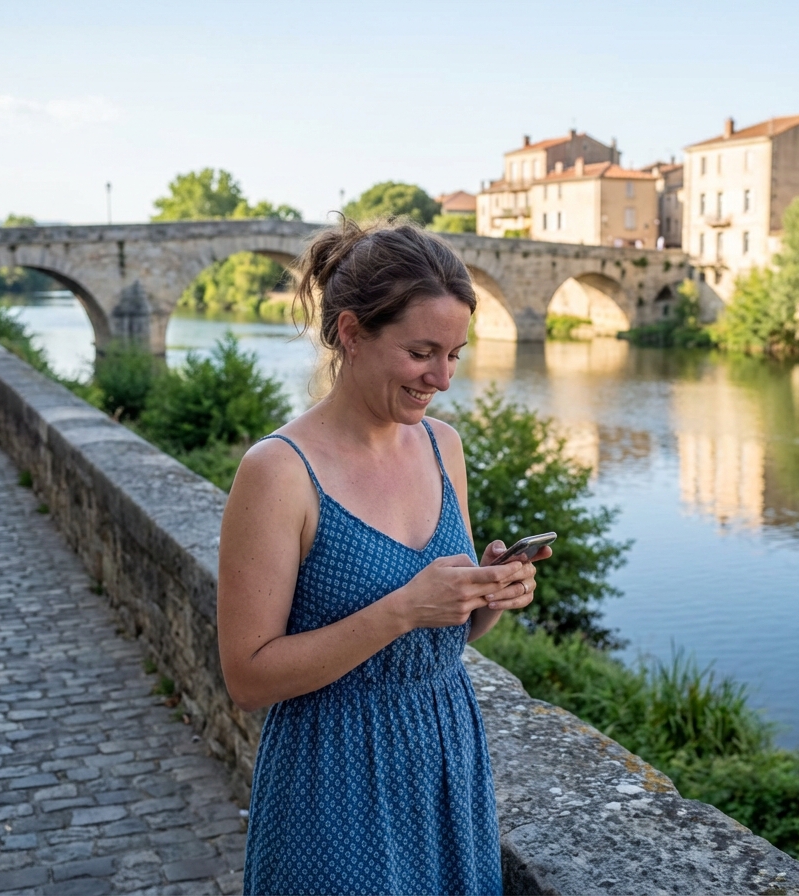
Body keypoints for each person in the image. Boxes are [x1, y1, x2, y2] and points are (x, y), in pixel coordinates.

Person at [216, 219, 551, 896]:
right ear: (350, 334)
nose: (444, 378)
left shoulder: (442, 446)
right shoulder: (280, 472)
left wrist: (481, 597)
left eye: (456, 354)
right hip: (331, 776)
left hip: (446, 760)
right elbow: (247, 678)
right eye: (423, 352)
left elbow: (442, 635)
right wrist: (402, 610)